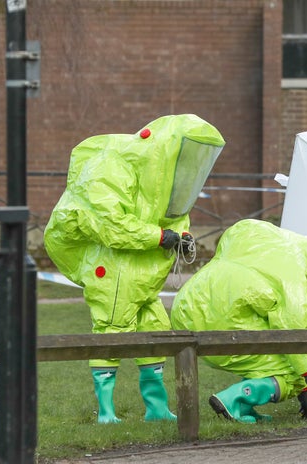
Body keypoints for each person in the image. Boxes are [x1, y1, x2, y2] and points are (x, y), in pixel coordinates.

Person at [44, 114, 225, 424]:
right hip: (112, 273)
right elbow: (110, 224)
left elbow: (175, 218)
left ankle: (155, 409)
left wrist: (179, 237)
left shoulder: (168, 183)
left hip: (143, 277)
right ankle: (106, 412)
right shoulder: (110, 167)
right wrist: (159, 237)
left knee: (154, 332)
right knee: (110, 333)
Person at [170, 219, 307, 423]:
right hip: (222, 319)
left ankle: (245, 407)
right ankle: (235, 399)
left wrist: (306, 387)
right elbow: (292, 332)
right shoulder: (296, 275)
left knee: (266, 357)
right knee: (290, 372)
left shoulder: (282, 248)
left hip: (188, 306)